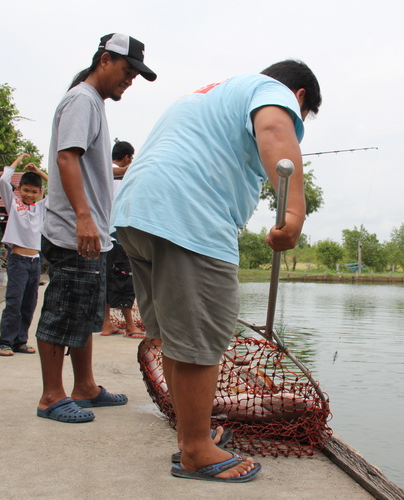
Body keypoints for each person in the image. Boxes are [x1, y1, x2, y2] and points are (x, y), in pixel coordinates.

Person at [111, 60, 321, 482]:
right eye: (303, 116)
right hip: (187, 215)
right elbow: (277, 132)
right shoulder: (272, 92)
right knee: (200, 339)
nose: (296, 121)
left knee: (175, 336)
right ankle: (195, 450)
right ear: (298, 98)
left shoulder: (210, 95)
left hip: (138, 213)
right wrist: (294, 213)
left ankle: (193, 434)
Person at [34, 33, 156, 423]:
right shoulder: (82, 99)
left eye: (136, 74)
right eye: (127, 70)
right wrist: (84, 217)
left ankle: (84, 386)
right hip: (74, 230)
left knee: (84, 310)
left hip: (93, 234)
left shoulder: (93, 103)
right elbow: (67, 157)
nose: (130, 79)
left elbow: (90, 165)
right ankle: (51, 396)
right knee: (62, 309)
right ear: (105, 59)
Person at [0, 153, 47, 357]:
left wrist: (38, 172)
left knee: (29, 304)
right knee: (14, 301)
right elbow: (3, 180)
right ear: (18, 189)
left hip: (35, 261)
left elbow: (59, 189)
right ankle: (4, 342)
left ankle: (20, 341)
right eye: (25, 190)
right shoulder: (13, 204)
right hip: (18, 260)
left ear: (40, 193)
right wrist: (18, 162)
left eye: (34, 192)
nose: (29, 195)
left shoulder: (41, 207)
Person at [98, 140, 144, 338]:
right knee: (125, 278)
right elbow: (124, 207)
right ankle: (130, 325)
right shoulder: (121, 175)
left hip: (102, 236)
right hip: (116, 236)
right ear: (127, 157)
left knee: (107, 279)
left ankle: (106, 322)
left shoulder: (101, 172)